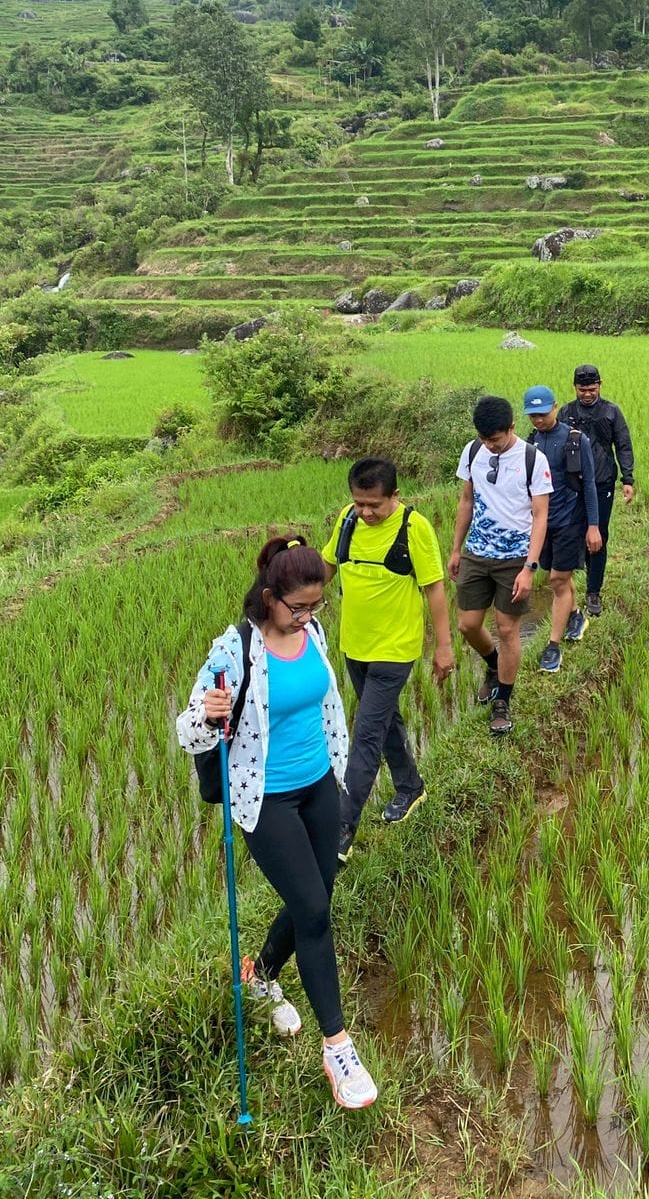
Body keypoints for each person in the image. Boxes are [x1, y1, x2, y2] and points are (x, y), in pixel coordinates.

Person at [175, 535, 377, 1112]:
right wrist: (206, 716)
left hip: (319, 787)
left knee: (315, 895)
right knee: (315, 911)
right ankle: (338, 1047)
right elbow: (187, 731)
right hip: (266, 801)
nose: (309, 616)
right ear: (269, 598)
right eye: (299, 606)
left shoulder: (311, 633)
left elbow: (327, 705)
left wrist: (338, 776)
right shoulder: (233, 649)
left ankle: (260, 975)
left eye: (317, 606)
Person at [321, 457, 454, 863]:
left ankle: (343, 828)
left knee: (365, 732)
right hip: (354, 645)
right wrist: (290, 593)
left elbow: (433, 590)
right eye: (359, 503)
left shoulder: (414, 528)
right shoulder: (347, 520)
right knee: (383, 720)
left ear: (395, 496)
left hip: (395, 649)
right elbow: (327, 567)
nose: (365, 512)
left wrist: (444, 647)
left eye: (374, 505)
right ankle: (410, 786)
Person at [449, 394, 552, 737]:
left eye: (495, 439)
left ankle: (502, 701)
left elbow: (540, 517)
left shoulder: (532, 459)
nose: (489, 446)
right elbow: (466, 501)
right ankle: (494, 665)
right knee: (467, 625)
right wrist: (455, 549)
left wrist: (530, 567)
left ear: (511, 428)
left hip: (515, 559)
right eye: (484, 439)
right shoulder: (473, 452)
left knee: (507, 629)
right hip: (477, 554)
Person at [523, 384, 602, 670]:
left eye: (542, 413)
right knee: (555, 574)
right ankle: (576, 614)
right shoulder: (529, 443)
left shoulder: (574, 439)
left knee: (556, 580)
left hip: (570, 520)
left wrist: (593, 526)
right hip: (542, 523)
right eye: (532, 415)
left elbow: (589, 484)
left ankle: (553, 647)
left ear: (555, 407)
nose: (538, 420)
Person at [559, 363, 635, 617]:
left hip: (602, 482)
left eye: (592, 389)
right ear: (575, 388)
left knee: (598, 535)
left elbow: (623, 445)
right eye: (583, 390)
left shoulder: (611, 412)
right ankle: (566, 589)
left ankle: (593, 591)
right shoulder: (566, 413)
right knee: (572, 534)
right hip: (573, 485)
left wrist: (628, 479)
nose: (587, 394)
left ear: (600, 386)